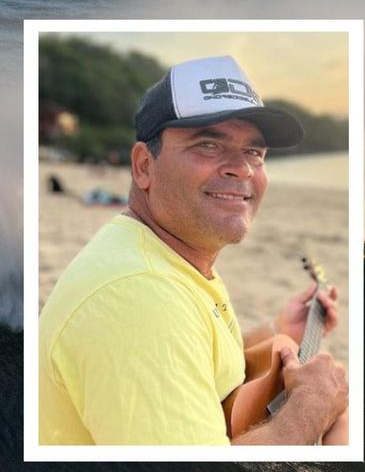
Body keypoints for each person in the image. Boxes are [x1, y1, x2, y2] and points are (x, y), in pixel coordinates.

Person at [38, 55, 347, 445]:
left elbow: (190, 357)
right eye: (208, 144)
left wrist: (279, 331)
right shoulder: (138, 297)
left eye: (255, 152)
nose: (242, 168)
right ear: (143, 166)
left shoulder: (161, 256)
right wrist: (310, 409)